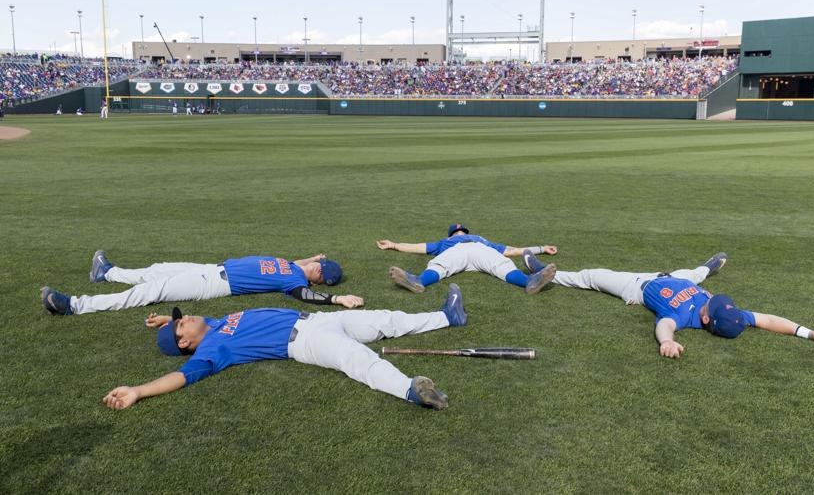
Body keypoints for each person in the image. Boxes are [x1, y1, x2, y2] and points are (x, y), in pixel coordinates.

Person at [103, 284, 469, 411]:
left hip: (318, 320)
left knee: (386, 320)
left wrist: (164, 324)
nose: (187, 316)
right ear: (185, 342)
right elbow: (181, 376)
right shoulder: (212, 350)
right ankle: (410, 389)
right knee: (356, 359)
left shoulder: (213, 324)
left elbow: (183, 330)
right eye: (181, 322)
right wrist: (138, 390)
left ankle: (447, 317)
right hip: (306, 341)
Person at [522, 251, 814, 358]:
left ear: (706, 322)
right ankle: (709, 266)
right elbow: (767, 320)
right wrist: (808, 332)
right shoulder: (729, 314)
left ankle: (544, 272)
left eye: (711, 308)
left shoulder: (682, 316)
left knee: (592, 276)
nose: (716, 302)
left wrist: (668, 341)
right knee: (693, 275)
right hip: (673, 277)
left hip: (637, 286)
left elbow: (664, 325)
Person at [41, 251, 357, 315]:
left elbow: (304, 295)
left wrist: (335, 300)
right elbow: (298, 266)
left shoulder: (295, 280)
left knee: (149, 292)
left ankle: (75, 305)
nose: (317, 264)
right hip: (212, 268)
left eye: (320, 267)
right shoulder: (293, 266)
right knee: (157, 269)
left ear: (320, 279)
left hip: (214, 284)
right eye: (318, 262)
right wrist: (307, 259)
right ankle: (107, 273)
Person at [377, 223, 558, 294]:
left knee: (440, 266)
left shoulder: (475, 240)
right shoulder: (449, 242)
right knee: (501, 266)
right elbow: (419, 247)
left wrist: (541, 248)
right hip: (471, 251)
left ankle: (531, 281)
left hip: (470, 251)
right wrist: (394, 245)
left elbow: (511, 250)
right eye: (457, 231)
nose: (459, 232)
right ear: (452, 235)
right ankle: (417, 281)